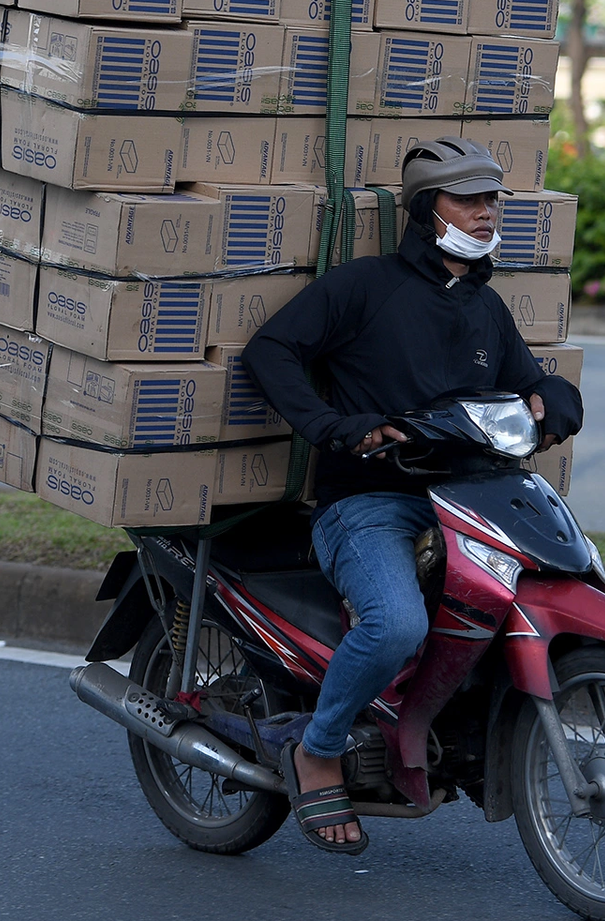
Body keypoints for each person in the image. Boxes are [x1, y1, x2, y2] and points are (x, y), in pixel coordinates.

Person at [242, 136, 583, 855]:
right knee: (396, 624)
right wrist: (338, 428)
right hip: (368, 502)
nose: (487, 213)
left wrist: (556, 401)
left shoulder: (484, 305)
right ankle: (320, 747)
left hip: (473, 503)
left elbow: (533, 379)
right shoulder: (364, 286)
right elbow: (271, 351)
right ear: (430, 210)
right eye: (470, 199)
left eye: (493, 199)